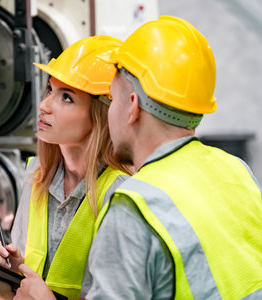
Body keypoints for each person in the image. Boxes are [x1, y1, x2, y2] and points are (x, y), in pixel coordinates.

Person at [81, 16, 262, 299]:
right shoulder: (235, 170)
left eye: (112, 99)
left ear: (132, 106)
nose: (109, 113)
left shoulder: (132, 209)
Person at [0, 35, 132, 299]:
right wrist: (11, 282)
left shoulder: (122, 195)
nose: (43, 105)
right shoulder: (37, 177)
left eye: (67, 98)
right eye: (50, 90)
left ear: (101, 115)